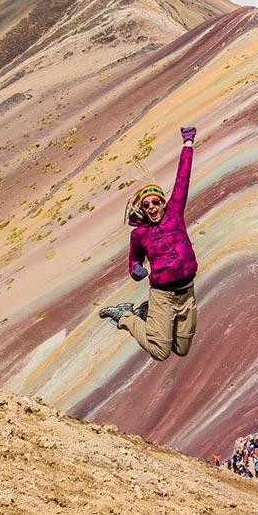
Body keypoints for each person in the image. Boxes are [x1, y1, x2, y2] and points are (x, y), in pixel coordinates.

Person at [99, 127, 199, 361]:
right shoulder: (139, 235)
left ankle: (146, 313)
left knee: (182, 350)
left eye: (156, 202)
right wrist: (137, 270)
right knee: (160, 352)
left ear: (164, 203)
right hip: (163, 295)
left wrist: (188, 143)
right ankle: (125, 316)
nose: (152, 207)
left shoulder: (175, 213)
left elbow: (183, 178)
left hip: (187, 293)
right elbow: (134, 261)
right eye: (147, 205)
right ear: (141, 209)